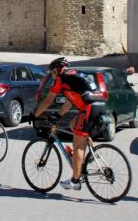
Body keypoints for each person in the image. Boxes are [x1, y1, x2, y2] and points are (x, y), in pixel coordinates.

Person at [34, 57, 107, 191]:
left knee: (77, 145)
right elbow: (71, 100)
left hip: (89, 107)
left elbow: (48, 100)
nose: (52, 75)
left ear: (57, 70)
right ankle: (90, 156)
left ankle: (75, 181)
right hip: (100, 104)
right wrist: (58, 115)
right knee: (74, 125)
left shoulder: (61, 79)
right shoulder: (74, 74)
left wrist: (35, 115)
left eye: (52, 72)